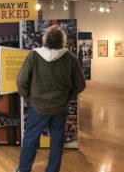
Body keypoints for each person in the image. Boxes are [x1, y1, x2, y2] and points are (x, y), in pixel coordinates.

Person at [15, 25, 86, 172]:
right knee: (57, 141)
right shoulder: (70, 58)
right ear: (63, 40)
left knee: (31, 139)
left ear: (45, 39)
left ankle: (23, 169)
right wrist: (67, 95)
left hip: (38, 107)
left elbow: (21, 81)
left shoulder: (34, 56)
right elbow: (80, 85)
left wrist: (29, 97)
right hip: (60, 108)